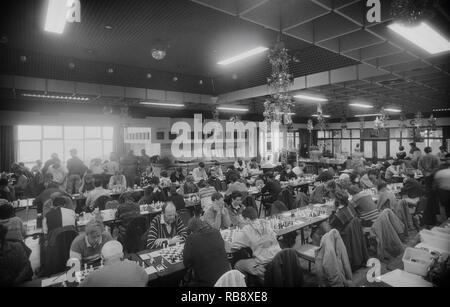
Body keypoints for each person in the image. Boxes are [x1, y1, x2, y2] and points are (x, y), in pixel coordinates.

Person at [231, 207, 281, 281]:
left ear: (247, 219)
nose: (242, 221)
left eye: (243, 219)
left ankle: (248, 283)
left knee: (237, 265)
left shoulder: (246, 230)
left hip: (264, 264)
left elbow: (233, 246)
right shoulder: (266, 222)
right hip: (279, 258)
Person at [183, 218, 231, 286]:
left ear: (191, 231)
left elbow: (187, 263)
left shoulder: (191, 238)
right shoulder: (216, 232)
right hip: (226, 280)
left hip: (207, 283)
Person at [79, 240, 148, 287]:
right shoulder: (134, 266)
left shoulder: (94, 276)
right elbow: (145, 278)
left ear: (102, 257)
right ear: (122, 254)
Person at [434, 154, 450, 218]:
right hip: (444, 192)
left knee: (447, 209)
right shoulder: (441, 170)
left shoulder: (440, 171)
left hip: (444, 193)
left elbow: (436, 182)